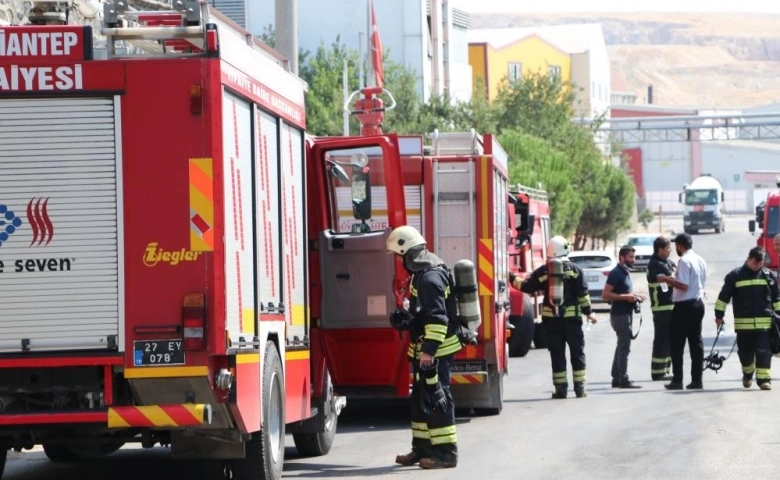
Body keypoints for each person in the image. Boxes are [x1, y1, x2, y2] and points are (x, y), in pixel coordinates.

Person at [386, 225, 460, 470]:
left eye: (399, 257)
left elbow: (439, 319)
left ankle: (446, 454)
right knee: (420, 399)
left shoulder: (429, 278)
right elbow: (424, 314)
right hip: (423, 350)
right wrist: (409, 320)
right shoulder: (421, 274)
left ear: (408, 254)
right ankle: (422, 449)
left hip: (436, 351)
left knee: (437, 399)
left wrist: (429, 351)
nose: (399, 262)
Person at [509, 235, 598, 399]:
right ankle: (580, 389)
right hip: (573, 321)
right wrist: (589, 313)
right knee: (577, 353)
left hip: (552, 322)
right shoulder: (576, 270)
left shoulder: (544, 271)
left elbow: (527, 287)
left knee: (557, 354)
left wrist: (511, 277)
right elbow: (583, 295)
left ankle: (561, 390)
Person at [714, 246, 780, 390]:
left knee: (764, 351)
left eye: (760, 264)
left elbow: (776, 298)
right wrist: (719, 315)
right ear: (748, 259)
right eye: (754, 263)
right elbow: (723, 297)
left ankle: (764, 380)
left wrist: (779, 315)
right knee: (745, 354)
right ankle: (748, 373)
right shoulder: (735, 275)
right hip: (744, 326)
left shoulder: (768, 276)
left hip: (765, 324)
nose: (757, 267)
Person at [657, 233, 708, 390]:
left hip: (685, 306)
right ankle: (697, 380)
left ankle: (677, 380)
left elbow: (683, 285)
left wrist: (666, 279)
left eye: (676, 246)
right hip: (698, 303)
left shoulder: (684, 261)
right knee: (696, 343)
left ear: (680, 245)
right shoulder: (700, 259)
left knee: (677, 344)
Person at [602, 245, 646, 389]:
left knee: (621, 345)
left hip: (625, 314)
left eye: (633, 257)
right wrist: (626, 297)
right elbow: (605, 294)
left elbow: (624, 292)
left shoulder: (625, 272)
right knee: (624, 348)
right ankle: (623, 379)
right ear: (621, 258)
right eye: (630, 257)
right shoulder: (616, 273)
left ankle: (616, 378)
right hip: (619, 315)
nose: (633, 260)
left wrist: (635, 296)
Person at [646, 236, 676, 380]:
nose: (671, 249)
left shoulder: (667, 262)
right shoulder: (656, 264)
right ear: (660, 249)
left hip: (670, 306)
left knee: (670, 339)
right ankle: (657, 372)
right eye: (668, 247)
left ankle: (665, 369)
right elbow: (675, 279)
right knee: (662, 339)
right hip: (661, 307)